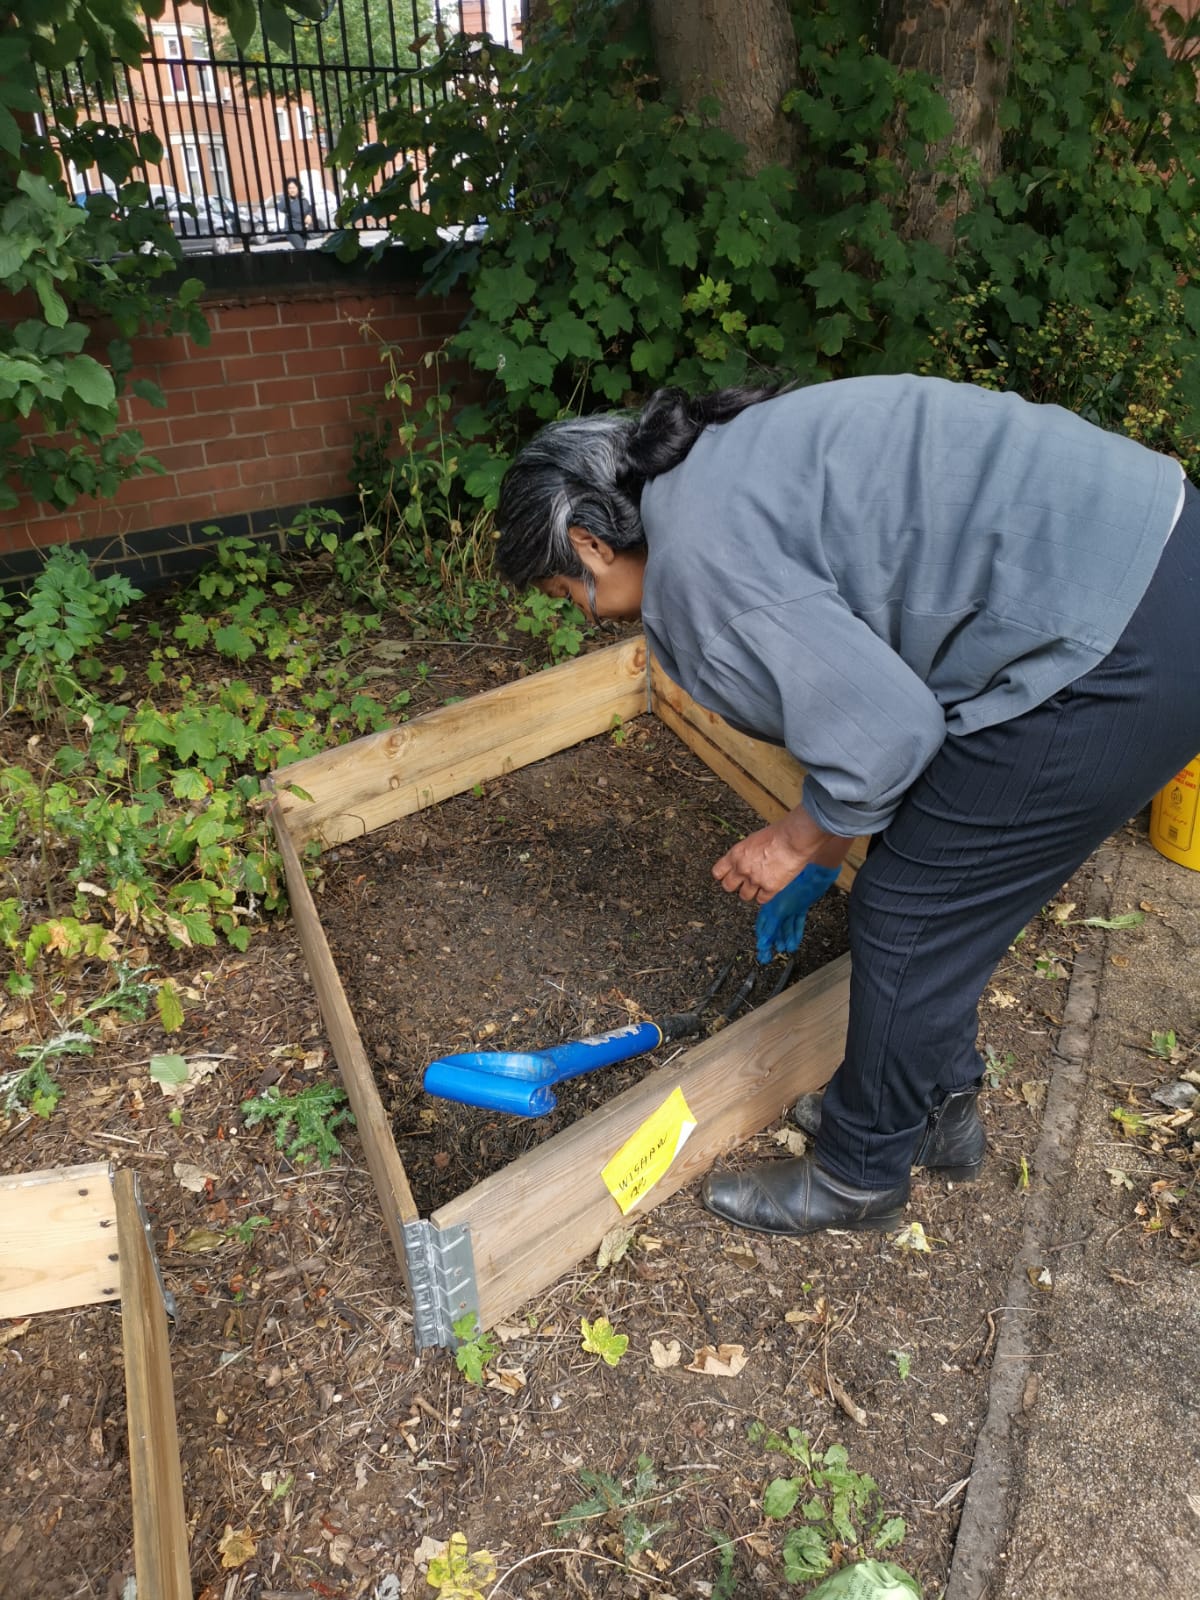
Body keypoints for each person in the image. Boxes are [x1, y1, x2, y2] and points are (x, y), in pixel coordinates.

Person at [494, 374, 1200, 1238]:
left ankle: (860, 1173)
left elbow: (890, 736)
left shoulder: (702, 567)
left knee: (909, 911)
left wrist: (794, 841)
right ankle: (938, 1112)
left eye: (566, 592)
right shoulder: (715, 472)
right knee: (938, 869)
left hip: (1116, 640)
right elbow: (870, 698)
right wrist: (830, 847)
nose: (585, 613)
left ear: (589, 541)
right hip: (1152, 559)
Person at [282, 176, 313, 250]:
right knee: (301, 248)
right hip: (292, 230)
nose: (292, 190)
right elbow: (280, 208)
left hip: (303, 229)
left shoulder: (304, 200)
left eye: (294, 187)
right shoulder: (286, 201)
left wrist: (309, 215)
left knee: (301, 250)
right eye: (289, 188)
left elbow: (310, 210)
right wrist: (287, 198)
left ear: (298, 188)